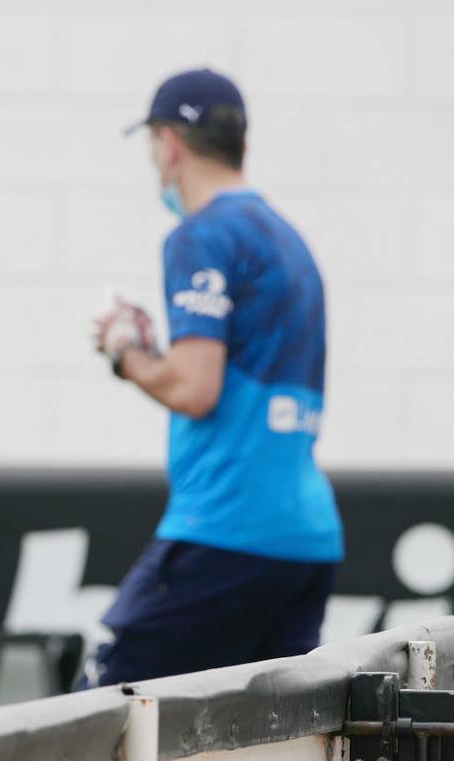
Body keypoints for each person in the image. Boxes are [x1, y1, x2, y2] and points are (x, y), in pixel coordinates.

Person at [89, 68, 343, 686]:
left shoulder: (199, 236)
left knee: (100, 716)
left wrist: (124, 351)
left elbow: (193, 388)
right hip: (306, 541)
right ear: (242, 145)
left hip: (228, 528)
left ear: (169, 144)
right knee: (266, 746)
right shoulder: (289, 240)